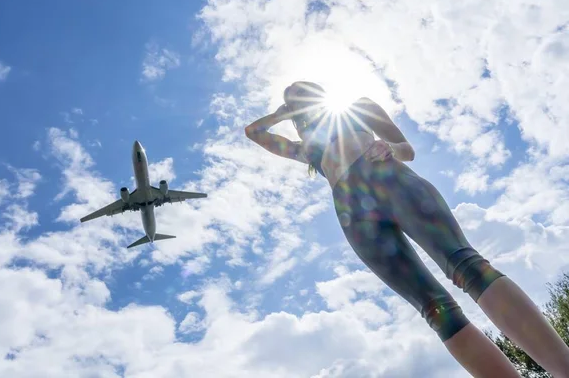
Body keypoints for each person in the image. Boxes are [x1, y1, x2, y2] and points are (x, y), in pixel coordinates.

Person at [244, 81, 569, 378]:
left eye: (303, 96)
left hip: (387, 178)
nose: (300, 105)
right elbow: (254, 132)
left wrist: (390, 148)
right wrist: (280, 113)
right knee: (434, 310)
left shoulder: (357, 108)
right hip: (354, 217)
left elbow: (406, 147)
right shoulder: (309, 150)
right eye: (294, 103)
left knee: (465, 265)